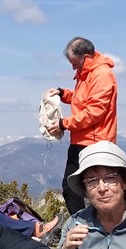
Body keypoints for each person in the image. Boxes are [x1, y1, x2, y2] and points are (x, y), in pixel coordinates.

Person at [45, 37, 118, 216]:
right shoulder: (87, 72)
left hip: (95, 142)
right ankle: (85, 224)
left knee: (95, 190)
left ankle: (90, 225)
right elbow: (82, 99)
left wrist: (63, 123)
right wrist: (62, 93)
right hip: (82, 140)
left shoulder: (101, 75)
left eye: (75, 63)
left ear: (85, 57)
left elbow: (94, 112)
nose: (73, 68)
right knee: (74, 188)